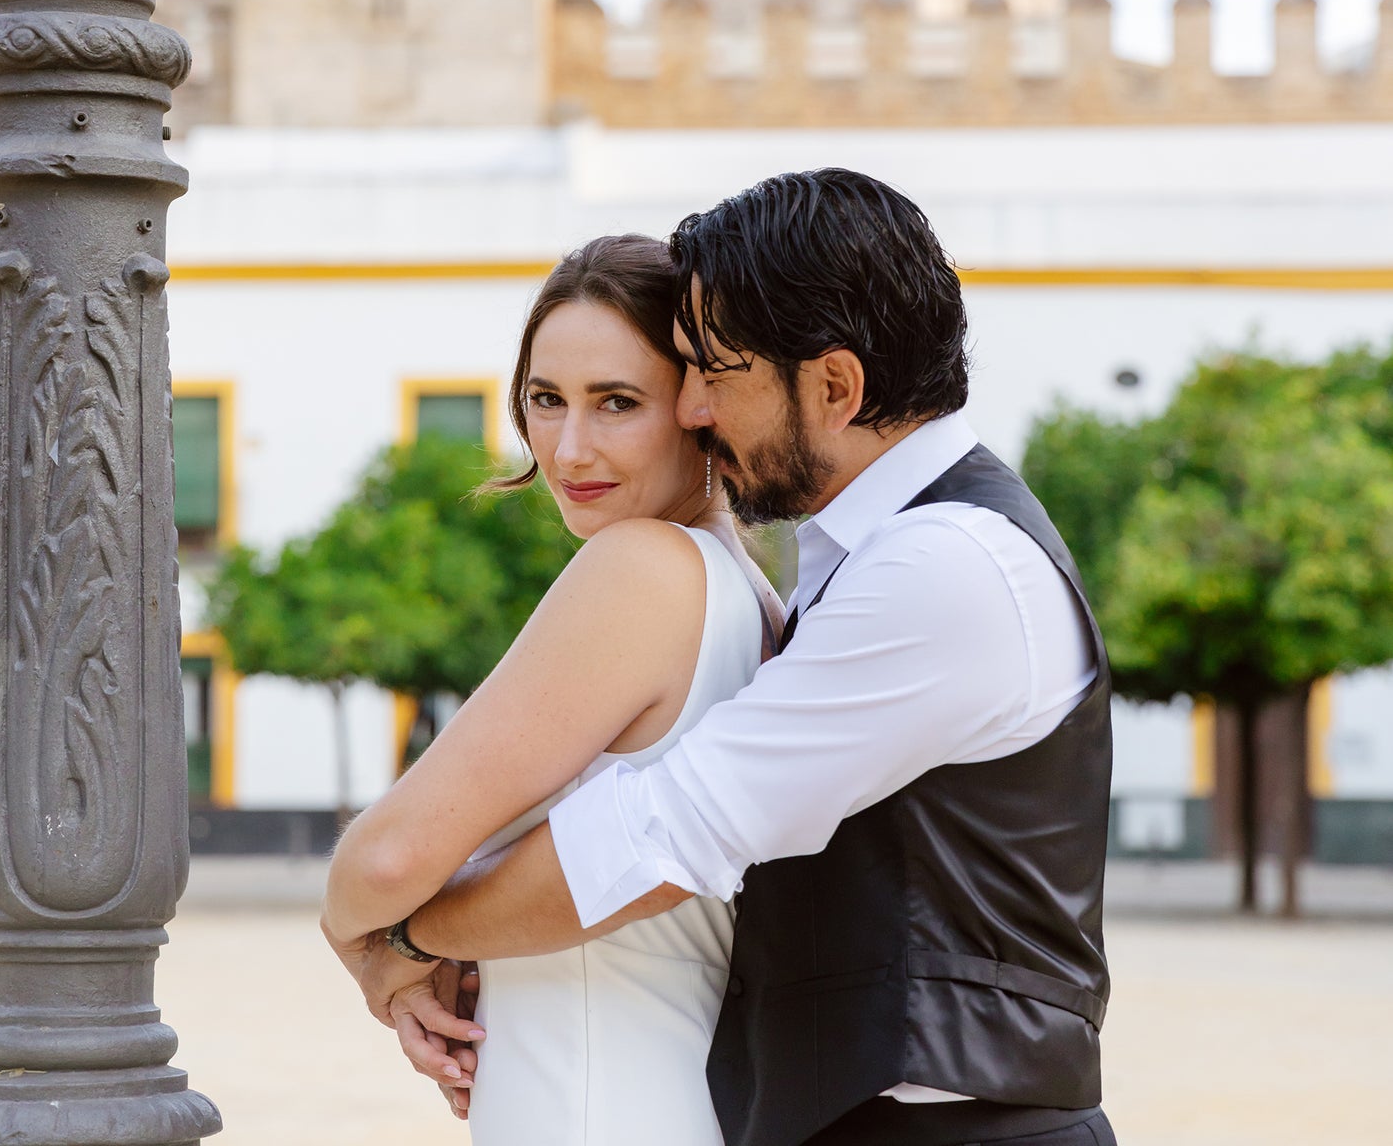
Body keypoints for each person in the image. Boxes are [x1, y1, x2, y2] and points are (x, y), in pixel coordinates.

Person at [348, 168, 1116, 1146]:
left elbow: (663, 837)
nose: (696, 408)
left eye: (714, 371)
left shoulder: (943, 563)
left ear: (834, 386)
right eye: (544, 397)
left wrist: (403, 936)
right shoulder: (829, 566)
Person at [322, 233, 781, 1145]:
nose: (570, 448)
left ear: (701, 409)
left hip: (589, 1107)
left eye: (617, 402)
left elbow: (382, 861)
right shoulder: (754, 597)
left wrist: (369, 951)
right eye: (545, 401)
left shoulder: (641, 570)